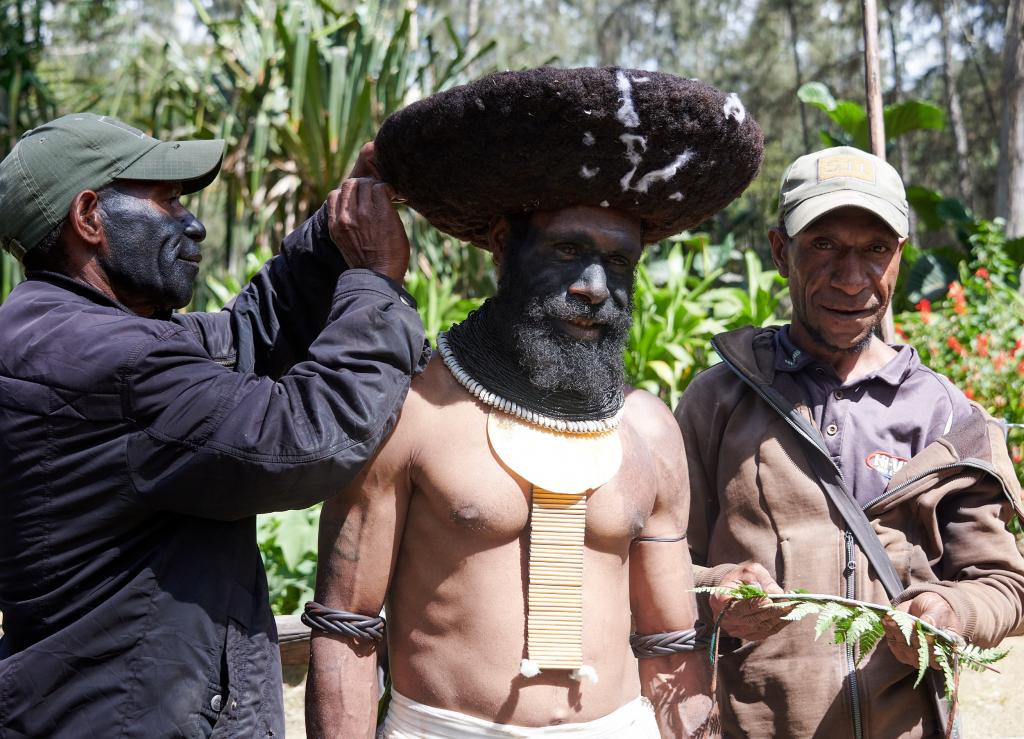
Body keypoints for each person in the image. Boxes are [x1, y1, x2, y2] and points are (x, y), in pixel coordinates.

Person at [305, 66, 764, 738]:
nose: (593, 286)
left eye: (618, 262)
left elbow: (671, 646)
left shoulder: (649, 430)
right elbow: (346, 627)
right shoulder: (412, 410)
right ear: (502, 244)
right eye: (568, 250)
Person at [0, 113, 427, 737]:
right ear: (89, 218)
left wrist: (336, 236)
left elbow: (244, 336)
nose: (192, 222)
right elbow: (308, 438)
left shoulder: (55, 331)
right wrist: (375, 283)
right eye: (169, 201)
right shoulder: (119, 363)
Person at [675, 146, 1024, 737]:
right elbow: (655, 563)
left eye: (875, 250)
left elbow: (1005, 585)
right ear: (781, 251)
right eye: (824, 245)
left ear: (899, 259)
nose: (852, 276)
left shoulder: (947, 415)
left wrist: (952, 613)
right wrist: (715, 588)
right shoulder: (719, 401)